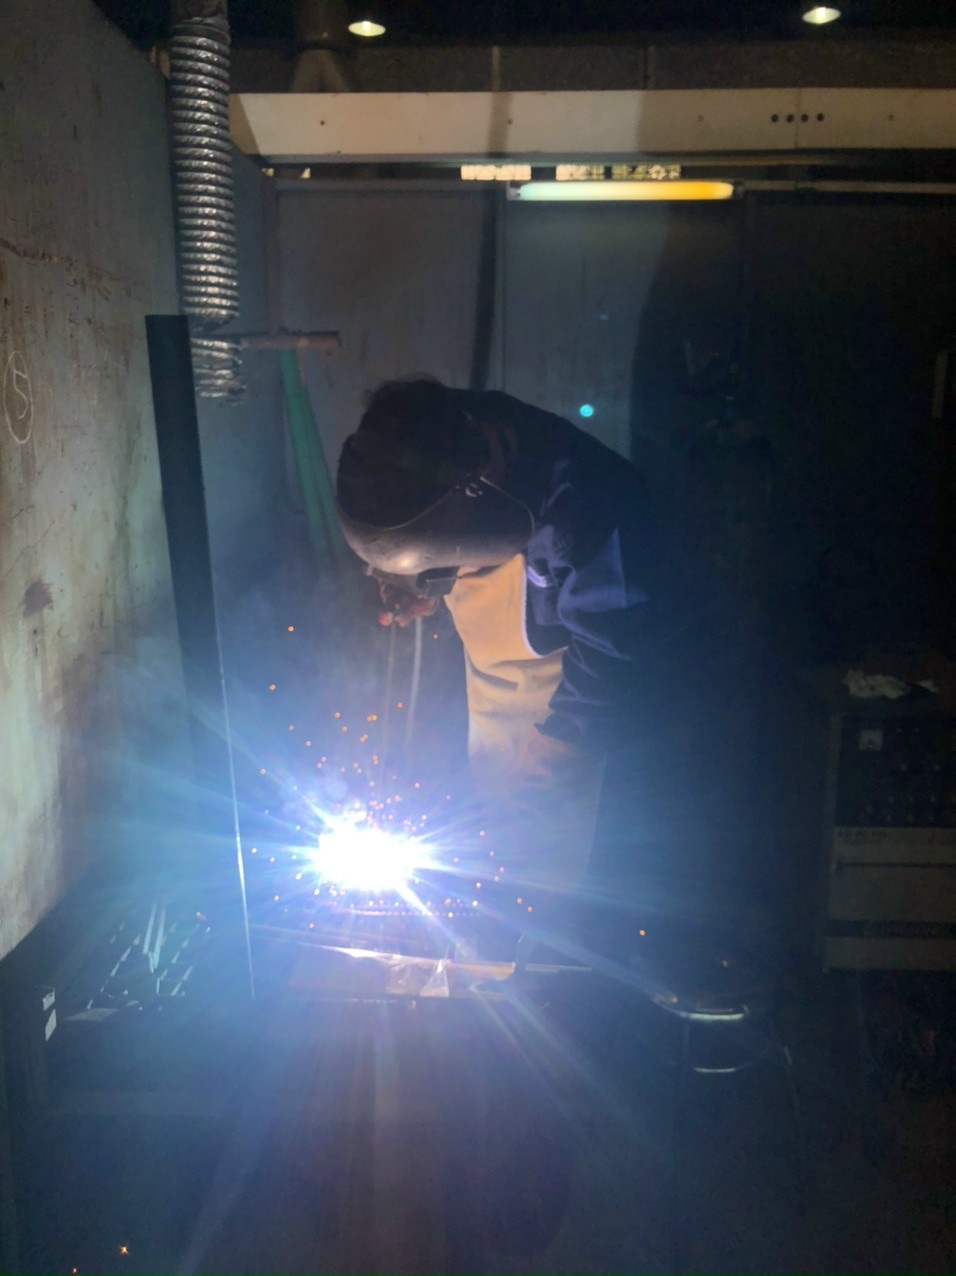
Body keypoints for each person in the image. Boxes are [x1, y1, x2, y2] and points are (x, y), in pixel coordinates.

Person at [335, 379, 710, 899]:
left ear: (487, 486)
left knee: (552, 868)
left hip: (584, 706)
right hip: (499, 705)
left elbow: (619, 652)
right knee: (496, 850)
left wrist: (558, 752)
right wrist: (419, 578)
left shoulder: (594, 512)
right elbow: (431, 510)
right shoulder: (437, 430)